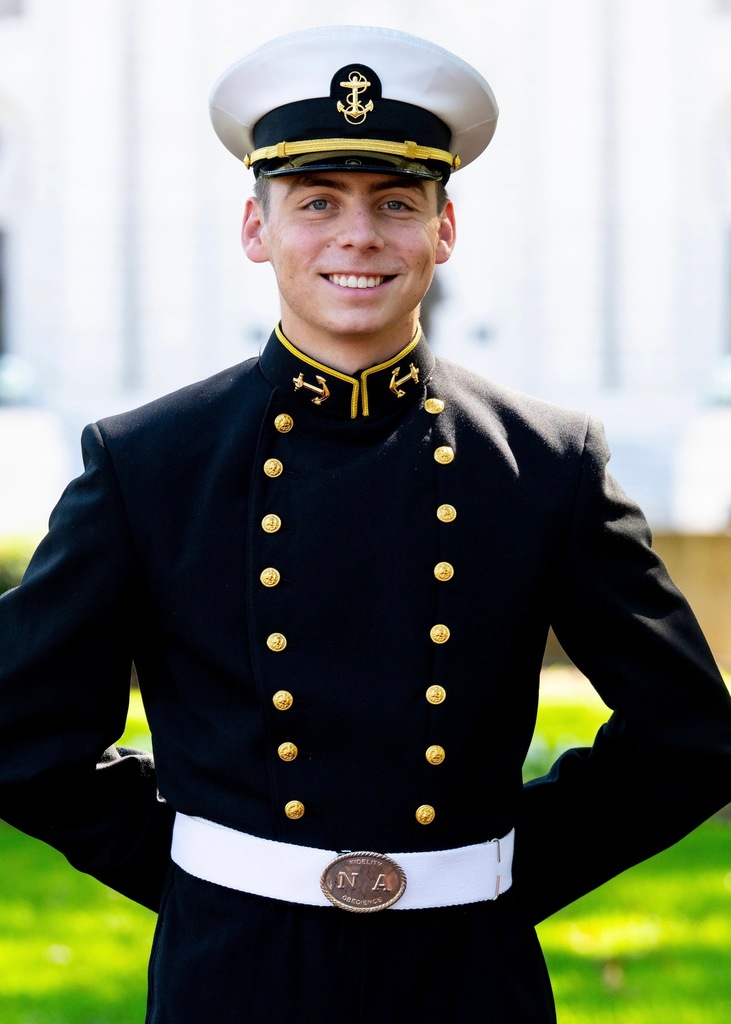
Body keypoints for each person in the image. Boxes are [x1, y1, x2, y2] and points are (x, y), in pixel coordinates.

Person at [1, 25, 730, 1024]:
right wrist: (206, 875)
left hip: (466, 975)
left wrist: (494, 876)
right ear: (256, 230)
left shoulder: (544, 464)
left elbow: (689, 736)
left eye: (396, 202)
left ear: (444, 229)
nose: (359, 236)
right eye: (316, 203)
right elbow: (21, 732)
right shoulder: (149, 462)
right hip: (234, 975)